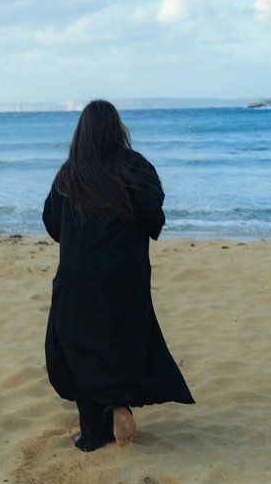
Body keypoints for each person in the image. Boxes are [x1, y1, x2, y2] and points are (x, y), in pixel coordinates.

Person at [42, 99, 194, 453]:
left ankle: (96, 434)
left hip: (77, 275)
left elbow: (52, 223)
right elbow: (152, 213)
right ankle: (118, 406)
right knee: (122, 340)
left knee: (78, 346)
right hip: (125, 274)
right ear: (116, 129)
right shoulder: (134, 165)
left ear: (81, 132)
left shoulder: (70, 172)